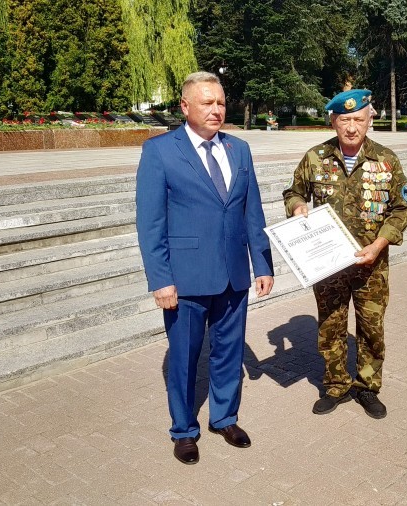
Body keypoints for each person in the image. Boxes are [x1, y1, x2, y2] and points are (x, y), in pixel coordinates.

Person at [135, 71, 275, 465]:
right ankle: (183, 430)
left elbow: (252, 210)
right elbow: (151, 224)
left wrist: (261, 263)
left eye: (221, 103)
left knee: (229, 353)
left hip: (233, 274)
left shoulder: (239, 149)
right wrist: (161, 280)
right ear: (185, 107)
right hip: (186, 277)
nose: (216, 110)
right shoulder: (159, 151)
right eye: (207, 103)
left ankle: (224, 417)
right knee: (184, 357)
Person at [282, 89, 407, 419]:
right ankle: (336, 385)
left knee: (371, 328)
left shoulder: (386, 160)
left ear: (370, 119)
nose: (351, 127)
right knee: (331, 326)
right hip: (327, 265)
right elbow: (294, 190)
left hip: (372, 264)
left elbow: (401, 207)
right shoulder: (316, 157)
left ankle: (368, 387)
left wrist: (380, 244)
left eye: (358, 119)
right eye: (344, 120)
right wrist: (297, 205)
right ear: (333, 121)